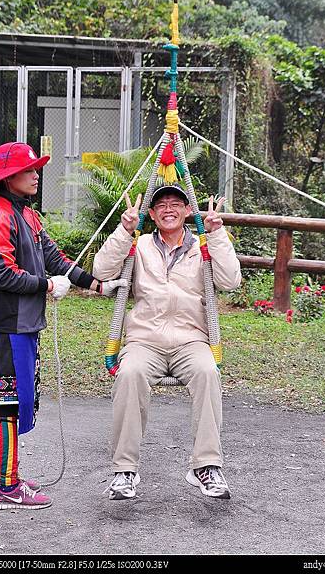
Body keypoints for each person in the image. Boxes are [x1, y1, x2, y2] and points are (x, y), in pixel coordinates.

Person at [0, 141, 126, 510]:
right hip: (5, 324)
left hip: (24, 324)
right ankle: (9, 486)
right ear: (9, 178)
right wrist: (46, 284)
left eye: (35, 169)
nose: (36, 174)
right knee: (6, 403)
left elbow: (54, 257)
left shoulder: (26, 214)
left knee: (14, 399)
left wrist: (97, 285)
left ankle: (0, 478)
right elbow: (2, 274)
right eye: (29, 170)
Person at [93, 182, 242, 500]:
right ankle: (124, 470)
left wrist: (216, 234)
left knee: (207, 373)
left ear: (189, 211)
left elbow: (231, 281)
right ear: (151, 213)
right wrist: (124, 231)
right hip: (144, 339)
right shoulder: (140, 245)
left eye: (176, 203)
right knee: (129, 374)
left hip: (191, 339)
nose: (169, 209)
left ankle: (206, 466)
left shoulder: (202, 246)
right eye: (161, 205)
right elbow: (102, 271)